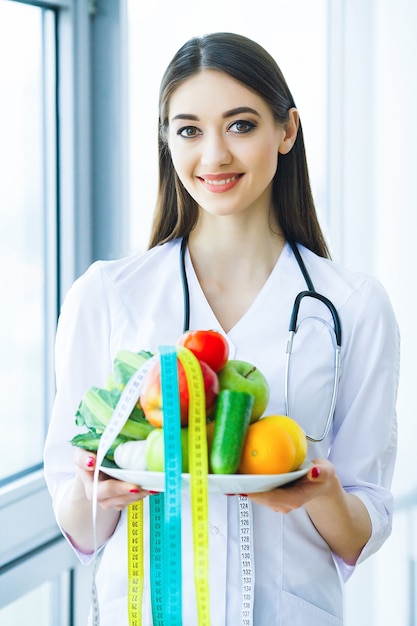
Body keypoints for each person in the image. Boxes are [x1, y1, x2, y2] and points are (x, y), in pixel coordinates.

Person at [44, 32, 400, 625]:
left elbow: (360, 530)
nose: (214, 156)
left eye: (240, 125)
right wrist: (95, 491)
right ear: (167, 141)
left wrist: (321, 491)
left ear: (287, 131)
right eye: (188, 130)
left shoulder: (354, 307)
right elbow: (77, 524)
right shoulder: (106, 297)